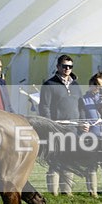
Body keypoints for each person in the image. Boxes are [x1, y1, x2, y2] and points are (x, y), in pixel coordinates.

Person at [39, 54, 83, 195]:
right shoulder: (49, 85)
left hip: (73, 129)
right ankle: (53, 193)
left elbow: (80, 107)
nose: (67, 69)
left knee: (69, 160)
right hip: (56, 129)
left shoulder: (76, 85)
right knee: (55, 162)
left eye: (70, 66)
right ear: (58, 67)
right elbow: (44, 107)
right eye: (64, 66)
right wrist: (50, 126)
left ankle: (67, 192)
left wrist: (82, 124)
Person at [79, 72, 102, 198]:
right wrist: (82, 125)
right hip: (91, 136)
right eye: (94, 84)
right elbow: (81, 117)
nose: (96, 87)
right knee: (92, 164)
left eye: (99, 85)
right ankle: (93, 193)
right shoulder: (84, 99)